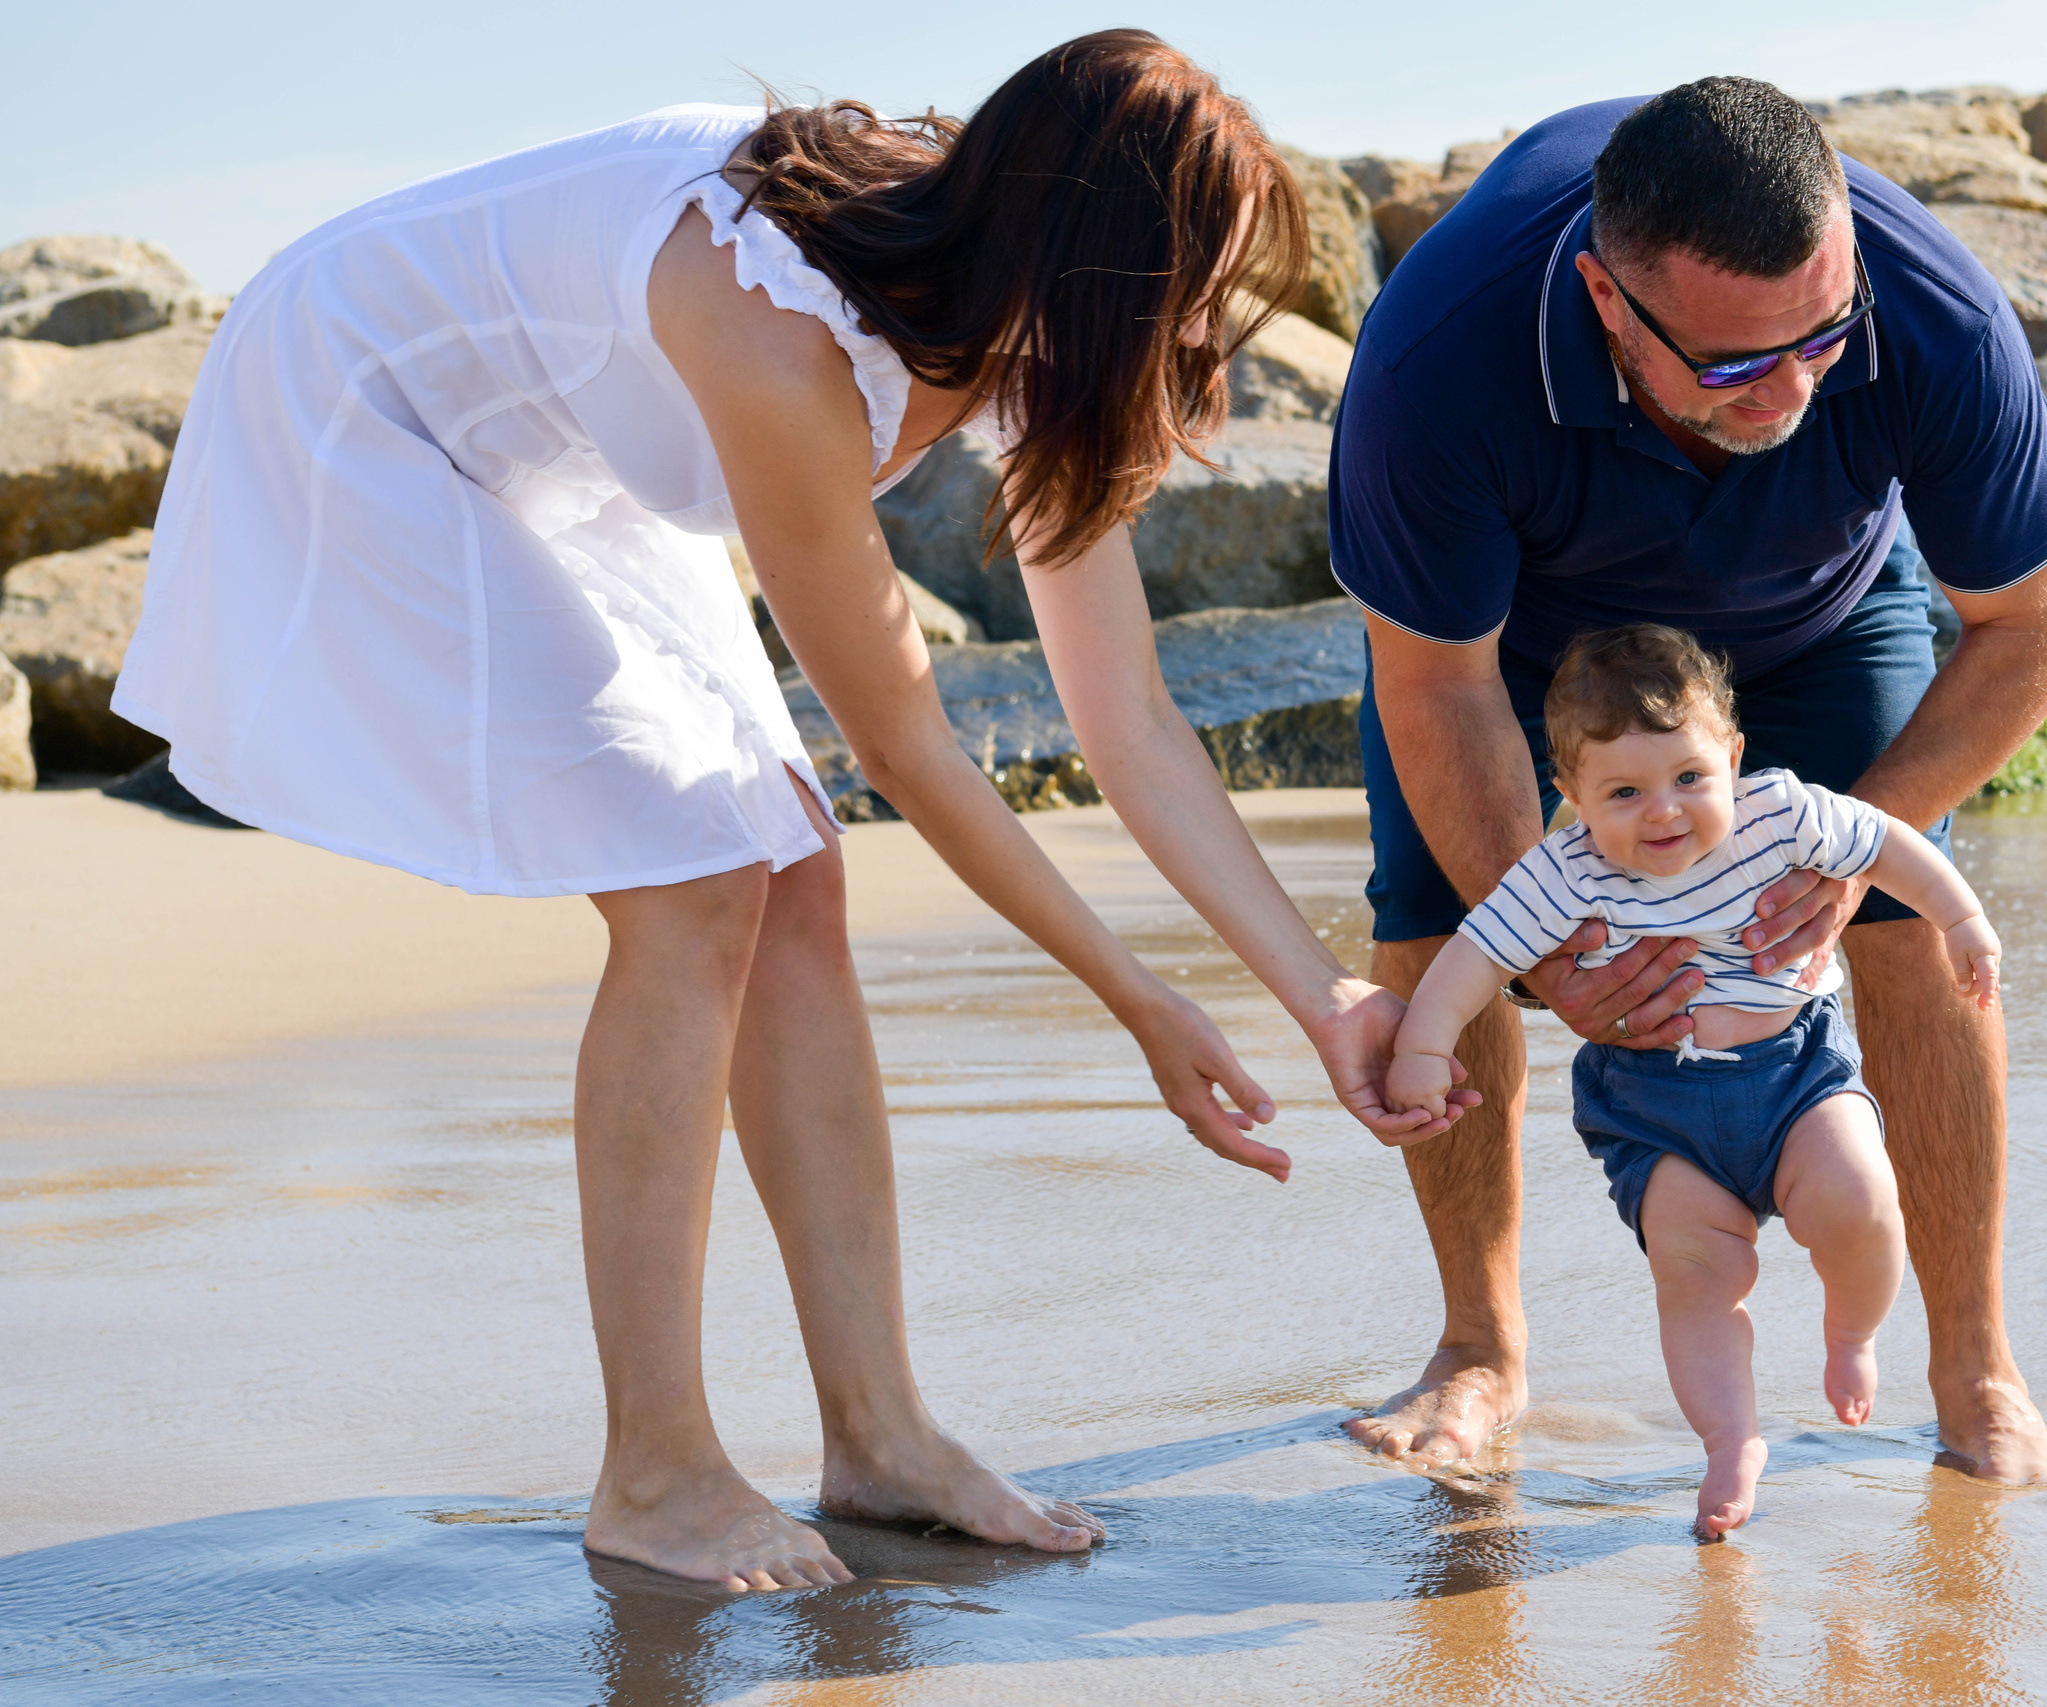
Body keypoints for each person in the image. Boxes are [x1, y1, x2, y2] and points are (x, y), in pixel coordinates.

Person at [113, 30, 1466, 1593]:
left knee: (792, 867)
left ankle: (879, 1432)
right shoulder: (780, 335)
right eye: (1191, 288)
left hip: (580, 443)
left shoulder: (1027, 329)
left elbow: (1131, 716)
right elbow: (911, 745)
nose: (1205, 336)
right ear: (1093, 263)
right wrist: (1140, 998)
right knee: (697, 879)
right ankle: (656, 1470)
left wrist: (1319, 993)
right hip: (366, 403)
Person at [1328, 77, 2047, 1482]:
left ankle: (1977, 1367)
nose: (1797, 392)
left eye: (1824, 337)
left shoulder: (1931, 311)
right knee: (1447, 928)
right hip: (1517, 658)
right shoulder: (1442, 356)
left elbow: (2040, 620)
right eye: (1739, 366)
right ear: (1610, 303)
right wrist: (1554, 940)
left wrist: (1861, 843)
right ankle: (1479, 1346)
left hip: (1816, 611)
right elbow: (1435, 681)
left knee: (1896, 910)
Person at [1384, 625, 2003, 1537]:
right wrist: (1424, 1047)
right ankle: (1730, 1439)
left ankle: (1851, 1331)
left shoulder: (1781, 814)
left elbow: (1885, 843)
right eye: (1624, 792)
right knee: (1693, 1271)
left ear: (1734, 756)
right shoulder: (1563, 871)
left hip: (1797, 1077)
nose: (1663, 811)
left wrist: (1962, 917)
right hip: (1656, 1110)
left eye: (1687, 778)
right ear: (1572, 796)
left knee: (1864, 1203)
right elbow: (1476, 953)